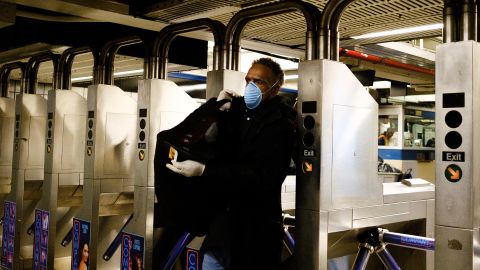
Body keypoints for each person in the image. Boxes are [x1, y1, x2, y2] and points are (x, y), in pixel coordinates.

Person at [166, 58, 296, 270]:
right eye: (248, 80)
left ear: (275, 88)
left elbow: (260, 177)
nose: (250, 86)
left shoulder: (280, 125)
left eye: (259, 82)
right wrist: (214, 108)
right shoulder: (238, 116)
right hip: (222, 230)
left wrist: (204, 171)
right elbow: (202, 142)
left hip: (254, 235)